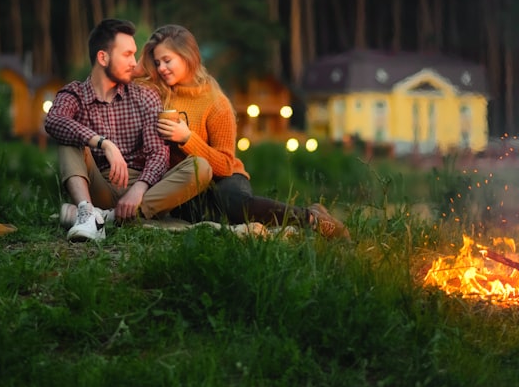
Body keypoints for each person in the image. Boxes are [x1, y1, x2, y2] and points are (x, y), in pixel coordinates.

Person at [138, 24, 350, 239]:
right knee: (199, 216)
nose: (162, 68)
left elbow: (225, 165)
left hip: (224, 178)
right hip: (185, 183)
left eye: (167, 60)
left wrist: (187, 139)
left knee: (234, 206)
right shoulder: (157, 92)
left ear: (188, 56)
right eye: (157, 63)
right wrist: (143, 62)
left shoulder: (215, 103)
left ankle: (312, 219)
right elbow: (129, 76)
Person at [44, 18, 212, 242]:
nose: (134, 62)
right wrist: (104, 143)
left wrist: (139, 189)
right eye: (127, 54)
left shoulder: (144, 95)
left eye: (134, 54)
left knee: (201, 167)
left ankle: (106, 218)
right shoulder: (74, 94)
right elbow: (54, 120)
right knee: (68, 137)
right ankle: (87, 212)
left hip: (146, 192)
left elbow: (158, 153)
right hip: (98, 186)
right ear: (103, 57)